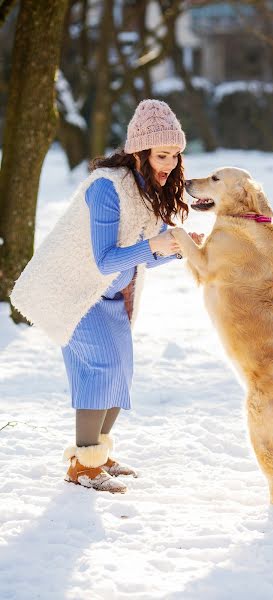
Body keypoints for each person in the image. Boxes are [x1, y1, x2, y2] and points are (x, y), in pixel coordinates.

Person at [10, 99, 202, 494]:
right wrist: (157, 245)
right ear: (140, 151)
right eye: (162, 154)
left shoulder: (149, 190)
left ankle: (96, 455)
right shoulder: (107, 188)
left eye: (175, 155)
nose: (169, 163)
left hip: (113, 298)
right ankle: (83, 466)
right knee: (99, 371)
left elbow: (142, 257)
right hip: (77, 293)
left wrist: (177, 248)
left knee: (119, 375)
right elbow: (103, 261)